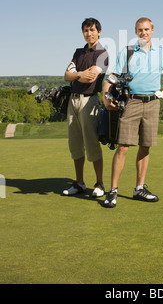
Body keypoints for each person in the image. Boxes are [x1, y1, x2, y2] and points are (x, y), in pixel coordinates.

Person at [103, 17, 163, 208]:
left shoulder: (161, 53)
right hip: (131, 102)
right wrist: (106, 96)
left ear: (153, 30)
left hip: (153, 103)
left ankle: (139, 189)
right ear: (136, 32)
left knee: (145, 146)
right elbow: (112, 75)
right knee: (123, 147)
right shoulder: (128, 52)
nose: (143, 32)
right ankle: (112, 191)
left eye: (146, 29)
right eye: (140, 30)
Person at [62, 18, 109, 197]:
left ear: (99, 32)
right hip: (72, 101)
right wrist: (79, 74)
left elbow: (92, 78)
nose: (88, 33)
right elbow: (67, 75)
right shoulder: (78, 52)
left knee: (91, 144)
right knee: (75, 144)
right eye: (85, 30)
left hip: (89, 101)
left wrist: (77, 75)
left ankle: (99, 184)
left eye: (92, 30)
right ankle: (79, 183)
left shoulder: (102, 53)